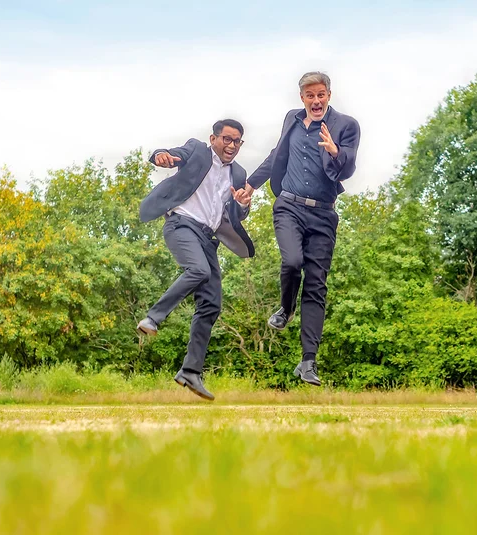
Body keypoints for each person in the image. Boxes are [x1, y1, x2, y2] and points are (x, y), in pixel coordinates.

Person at [245, 72, 360, 386]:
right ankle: (285, 308)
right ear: (302, 98)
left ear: (329, 95)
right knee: (292, 262)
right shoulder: (291, 121)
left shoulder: (346, 125)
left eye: (321, 94)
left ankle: (308, 362)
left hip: (323, 215)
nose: (316, 100)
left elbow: (348, 166)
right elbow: (276, 156)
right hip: (289, 206)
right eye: (310, 95)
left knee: (317, 286)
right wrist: (250, 185)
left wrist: (335, 151)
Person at [137, 119, 253, 401]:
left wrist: (242, 204)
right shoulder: (199, 151)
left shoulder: (238, 173)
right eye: (227, 139)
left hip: (208, 238)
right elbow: (175, 154)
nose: (232, 146)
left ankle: (190, 371)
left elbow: (237, 215)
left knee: (212, 304)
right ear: (214, 139)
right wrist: (161, 156)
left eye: (237, 141)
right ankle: (153, 317)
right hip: (181, 225)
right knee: (198, 270)